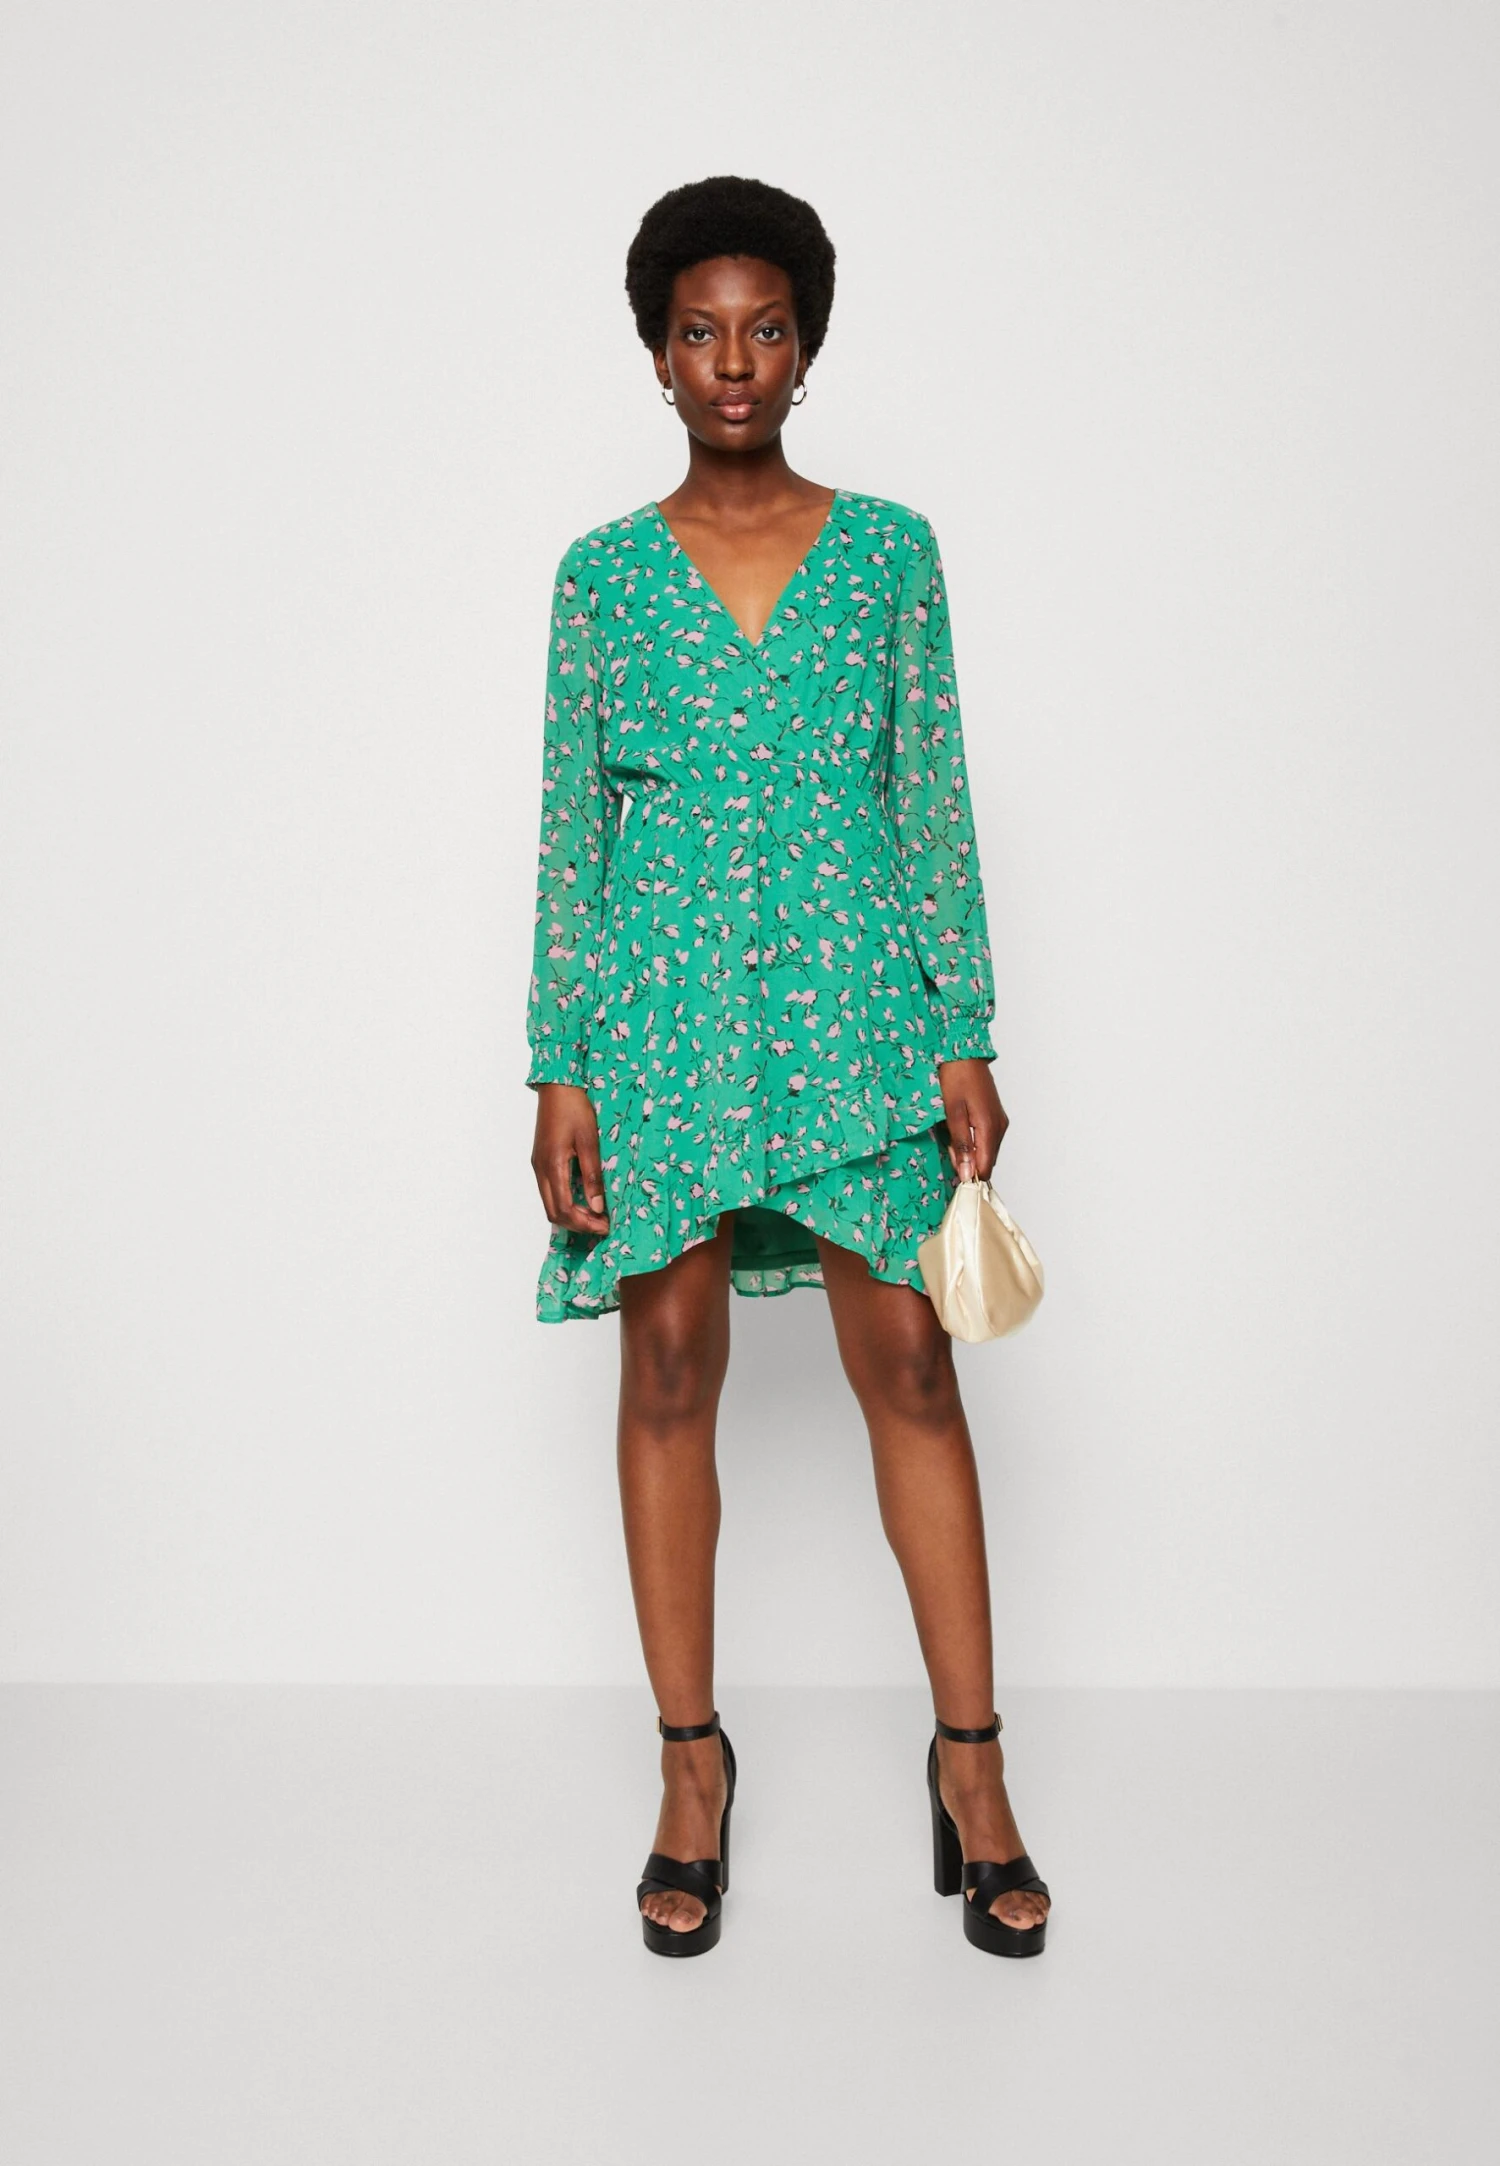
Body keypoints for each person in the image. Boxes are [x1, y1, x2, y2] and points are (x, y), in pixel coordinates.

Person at [524, 175, 1050, 1960]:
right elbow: (572, 834)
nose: (733, 360)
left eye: (764, 329)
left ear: (807, 348)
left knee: (910, 1361)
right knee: (669, 1363)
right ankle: (693, 1768)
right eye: (700, 332)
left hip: (857, 1009)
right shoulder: (601, 578)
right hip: (661, 1020)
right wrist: (557, 1064)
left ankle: (972, 1767)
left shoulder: (891, 552)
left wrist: (965, 1026)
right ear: (657, 355)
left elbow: (931, 797)